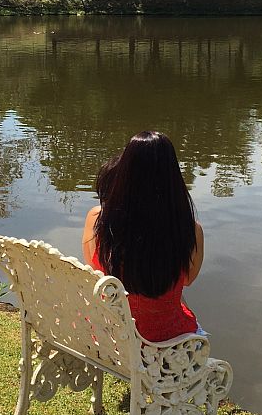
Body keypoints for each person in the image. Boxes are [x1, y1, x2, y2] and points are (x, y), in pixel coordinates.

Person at [82, 131, 204, 342]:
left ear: (124, 171)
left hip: (107, 333)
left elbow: (94, 267)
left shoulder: (97, 219)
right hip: (163, 339)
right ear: (172, 176)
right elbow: (187, 280)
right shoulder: (190, 230)